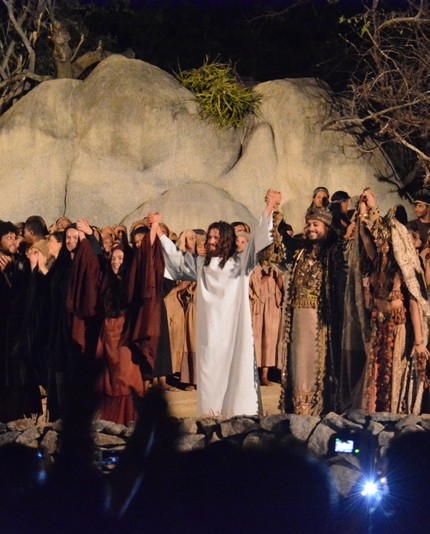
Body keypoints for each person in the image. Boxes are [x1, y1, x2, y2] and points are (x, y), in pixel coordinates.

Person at [149, 189, 281, 417]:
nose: (210, 241)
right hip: (210, 335)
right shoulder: (201, 265)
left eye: (215, 238)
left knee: (237, 372)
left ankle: (242, 415)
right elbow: (177, 259)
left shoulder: (241, 263)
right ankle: (212, 417)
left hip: (235, 334)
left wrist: (269, 207)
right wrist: (158, 231)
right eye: (209, 237)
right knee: (211, 373)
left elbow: (260, 240)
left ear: (226, 241)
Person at [352, 192, 430, 413]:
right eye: (377, 239)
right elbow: (366, 237)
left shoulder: (402, 269)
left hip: (398, 328)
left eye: (382, 239)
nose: (377, 241)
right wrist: (363, 212)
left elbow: (414, 303)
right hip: (379, 325)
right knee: (377, 373)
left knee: (392, 373)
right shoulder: (378, 262)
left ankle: (393, 413)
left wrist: (419, 342)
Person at [279, 205, 346, 415]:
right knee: (298, 361)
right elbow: (278, 244)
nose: (310, 229)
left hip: (321, 319)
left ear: (326, 227)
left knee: (317, 361)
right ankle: (299, 407)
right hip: (298, 317)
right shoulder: (300, 252)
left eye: (316, 224)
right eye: (308, 225)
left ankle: (318, 407)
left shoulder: (334, 252)